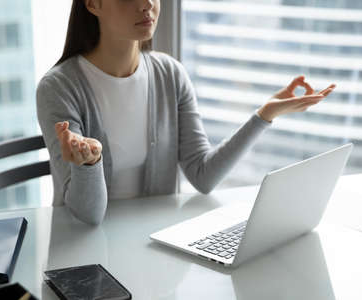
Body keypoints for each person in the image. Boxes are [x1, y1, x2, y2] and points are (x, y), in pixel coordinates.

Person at [36, 0, 335, 225]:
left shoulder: (170, 74)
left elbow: (204, 176)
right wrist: (90, 164)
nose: (146, 5)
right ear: (93, 4)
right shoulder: (59, 87)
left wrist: (264, 116)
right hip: (83, 245)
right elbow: (87, 216)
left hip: (149, 239)